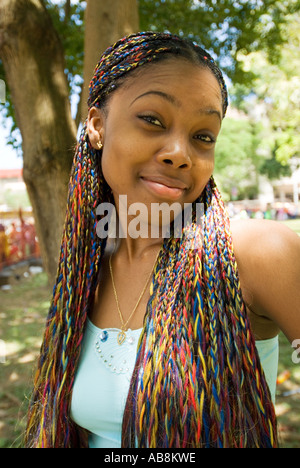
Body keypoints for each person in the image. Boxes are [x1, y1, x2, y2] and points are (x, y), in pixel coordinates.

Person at [25, 32, 300, 449]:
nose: (180, 153)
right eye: (153, 120)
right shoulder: (86, 270)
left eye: (203, 136)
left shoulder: (255, 253)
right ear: (97, 126)